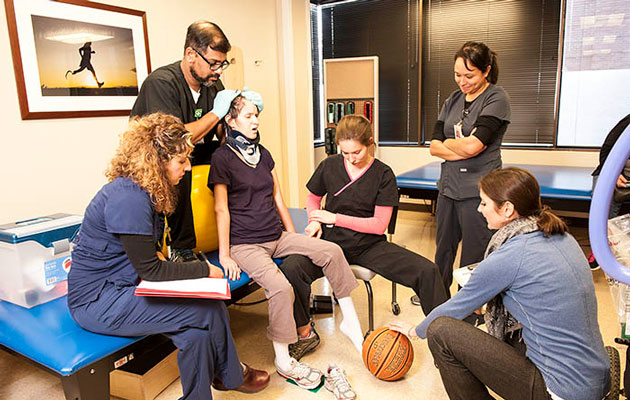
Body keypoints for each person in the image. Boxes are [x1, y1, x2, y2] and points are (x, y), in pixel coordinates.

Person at [68, 113, 270, 399]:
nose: (187, 168)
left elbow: (147, 256)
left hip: (124, 287)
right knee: (209, 309)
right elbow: (151, 270)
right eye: (181, 161)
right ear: (157, 161)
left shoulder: (145, 191)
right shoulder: (129, 197)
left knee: (196, 335)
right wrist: (204, 271)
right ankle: (230, 375)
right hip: (97, 302)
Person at [390, 167, 610, 400]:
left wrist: (414, 330)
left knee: (440, 331)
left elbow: (456, 307)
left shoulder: (512, 254)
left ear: (507, 209)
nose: (479, 209)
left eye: (484, 203)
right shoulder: (562, 235)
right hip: (595, 377)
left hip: (559, 390)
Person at [209, 95, 363, 396]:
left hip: (276, 236)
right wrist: (225, 254)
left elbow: (278, 198)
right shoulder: (222, 158)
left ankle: (351, 324)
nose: (256, 121)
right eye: (249, 116)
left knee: (331, 250)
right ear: (231, 120)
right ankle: (283, 361)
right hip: (246, 245)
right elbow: (221, 209)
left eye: (257, 116)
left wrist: (295, 239)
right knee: (281, 288)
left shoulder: (263, 154)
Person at [285, 115, 447, 360]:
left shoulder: (383, 175)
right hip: (330, 244)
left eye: (356, 152)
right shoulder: (330, 166)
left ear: (370, 143)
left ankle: (445, 342)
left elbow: (378, 225)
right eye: (345, 152)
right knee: (292, 267)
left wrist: (334, 218)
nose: (350, 158)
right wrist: (315, 220)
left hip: (367, 246)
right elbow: (313, 198)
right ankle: (305, 333)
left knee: (427, 271)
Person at [130, 20, 263, 262]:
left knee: (241, 154)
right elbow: (175, 140)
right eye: (213, 63)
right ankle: (182, 248)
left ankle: (249, 230)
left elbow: (221, 129)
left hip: (192, 147)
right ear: (191, 54)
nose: (218, 71)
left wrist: (236, 134)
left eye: (222, 64)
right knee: (181, 164)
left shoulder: (212, 84)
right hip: (155, 156)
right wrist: (215, 114)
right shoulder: (161, 83)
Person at [429, 41, 511, 299]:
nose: (462, 81)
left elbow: (475, 146)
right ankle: (438, 297)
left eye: (469, 75)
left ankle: (469, 303)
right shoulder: (452, 99)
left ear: (486, 70)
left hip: (479, 190)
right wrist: (460, 147)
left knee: (474, 252)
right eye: (457, 75)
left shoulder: (497, 98)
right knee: (443, 248)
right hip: (449, 187)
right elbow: (433, 146)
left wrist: (452, 145)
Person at [589, 113, 630, 269]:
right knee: (604, 199)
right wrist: (615, 174)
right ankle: (599, 249)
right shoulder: (627, 124)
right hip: (613, 169)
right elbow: (606, 149)